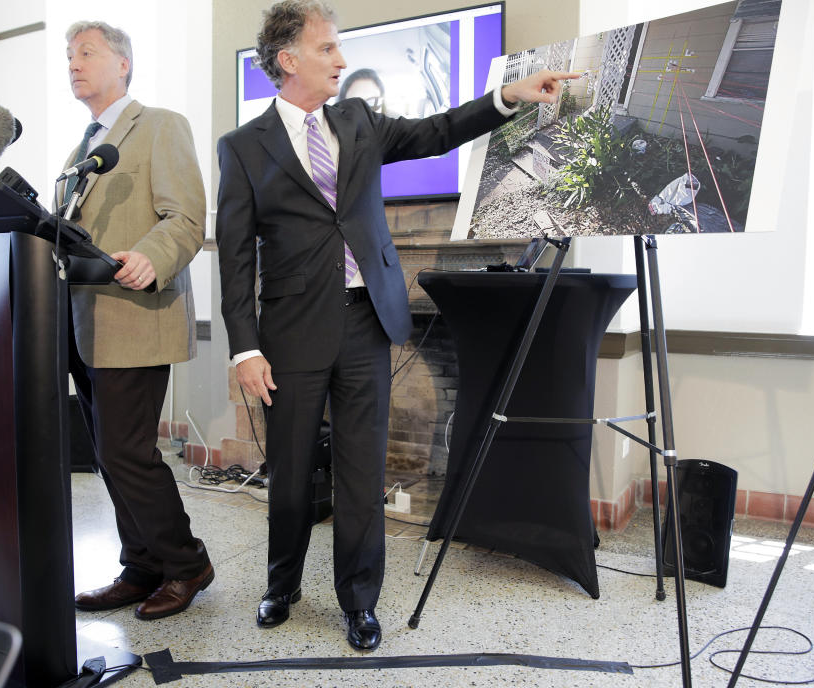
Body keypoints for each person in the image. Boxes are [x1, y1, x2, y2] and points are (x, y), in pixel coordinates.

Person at [216, 0, 577, 651]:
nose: (342, 60)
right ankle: (282, 583)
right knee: (291, 473)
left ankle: (359, 602)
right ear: (289, 58)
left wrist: (507, 97)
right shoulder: (242, 148)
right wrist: (244, 347)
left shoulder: (356, 119)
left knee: (360, 474)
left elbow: (435, 131)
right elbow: (236, 256)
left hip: (365, 323)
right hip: (291, 334)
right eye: (328, 48)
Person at [62, 20, 213, 621]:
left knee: (127, 451)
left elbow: (186, 217)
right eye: (68, 56)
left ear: (123, 64)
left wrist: (151, 256)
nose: (73, 64)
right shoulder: (83, 146)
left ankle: (187, 563)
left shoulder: (160, 126)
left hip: (135, 315)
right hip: (83, 321)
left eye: (86, 53)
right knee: (106, 451)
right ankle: (141, 563)